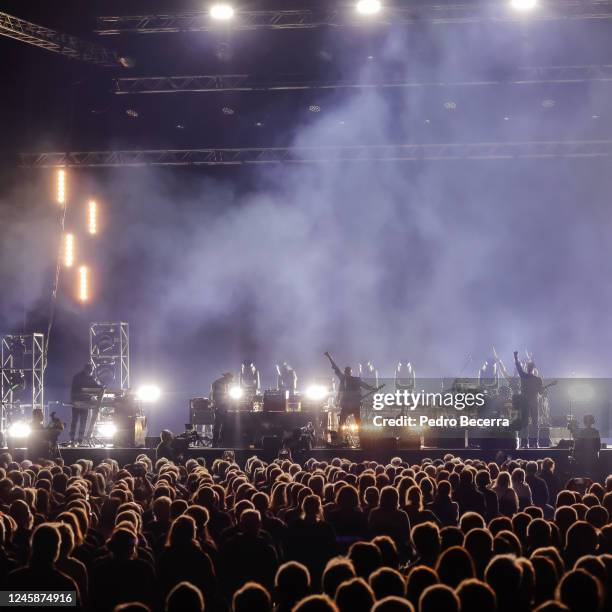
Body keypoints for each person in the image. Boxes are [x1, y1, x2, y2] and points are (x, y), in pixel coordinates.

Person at [324, 352, 376, 433]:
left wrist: (372, 388)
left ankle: (361, 437)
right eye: (346, 372)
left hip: (354, 404)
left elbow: (364, 385)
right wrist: (329, 357)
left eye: (348, 372)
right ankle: (340, 437)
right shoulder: (343, 379)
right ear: (345, 372)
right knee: (343, 422)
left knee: (357, 422)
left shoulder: (354, 380)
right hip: (347, 405)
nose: (347, 374)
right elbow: (335, 367)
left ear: (350, 372)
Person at [513, 350, 543, 447]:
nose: (529, 368)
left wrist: (516, 357)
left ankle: (525, 443)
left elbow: (518, 367)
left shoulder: (524, 376)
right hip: (532, 402)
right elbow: (541, 392)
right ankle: (534, 443)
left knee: (527, 423)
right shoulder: (537, 379)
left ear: (529, 368)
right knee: (534, 423)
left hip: (527, 402)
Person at [70, 363, 103, 446]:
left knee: (83, 422)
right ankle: (72, 439)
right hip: (77, 402)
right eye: (90, 371)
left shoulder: (90, 378)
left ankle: (79, 440)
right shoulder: (77, 377)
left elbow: (96, 386)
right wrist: (74, 400)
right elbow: (73, 390)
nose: (91, 372)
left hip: (85, 403)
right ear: (86, 370)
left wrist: (101, 387)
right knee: (75, 421)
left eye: (91, 371)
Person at [210, 372, 234, 447]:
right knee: (219, 425)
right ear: (227, 378)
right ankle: (216, 443)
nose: (230, 382)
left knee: (221, 425)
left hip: (221, 407)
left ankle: (218, 443)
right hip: (220, 407)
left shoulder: (222, 383)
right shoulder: (219, 384)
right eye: (230, 380)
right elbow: (219, 397)